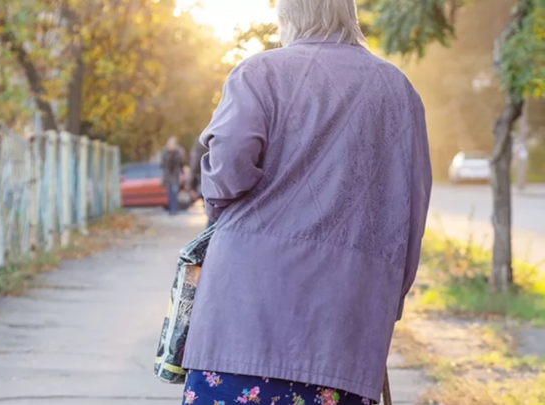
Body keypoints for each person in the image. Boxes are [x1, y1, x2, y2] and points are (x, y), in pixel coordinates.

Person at [181, 0, 432, 404]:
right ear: (348, 16)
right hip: (348, 322)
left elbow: (228, 168)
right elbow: (411, 211)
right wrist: (386, 301)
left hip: (247, 309)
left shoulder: (260, 73)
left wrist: (221, 214)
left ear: (287, 18)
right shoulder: (399, 90)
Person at [189, 138, 215, 228]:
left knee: (211, 214)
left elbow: (194, 165)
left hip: (205, 179)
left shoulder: (200, 140)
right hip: (220, 179)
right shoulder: (221, 134)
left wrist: (191, 186)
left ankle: (208, 239)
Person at [161, 137, 185, 216]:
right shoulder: (165, 153)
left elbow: (181, 163)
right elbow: (163, 164)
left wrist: (182, 173)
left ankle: (174, 209)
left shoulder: (178, 153)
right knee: (169, 194)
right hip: (168, 177)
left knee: (174, 192)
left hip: (175, 176)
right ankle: (171, 210)